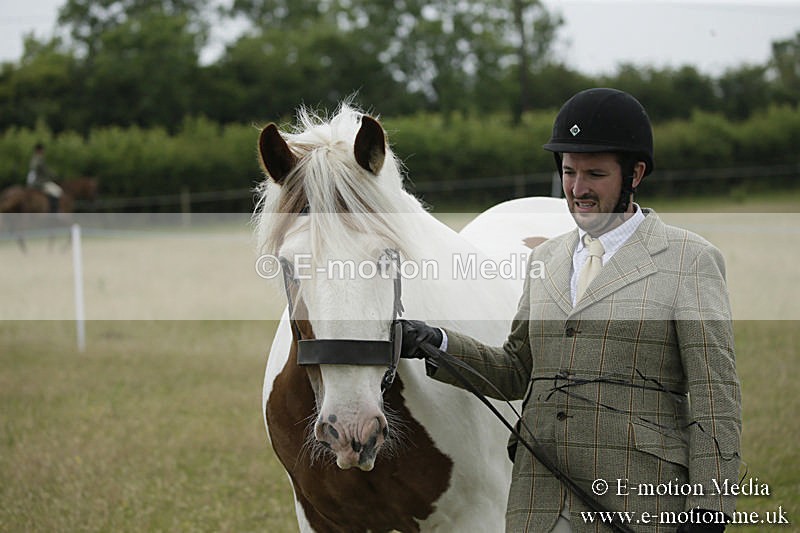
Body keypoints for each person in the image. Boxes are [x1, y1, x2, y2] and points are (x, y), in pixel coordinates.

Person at [400, 88, 741, 533]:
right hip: (539, 502)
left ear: (634, 174)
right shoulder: (545, 260)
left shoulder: (689, 260)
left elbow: (715, 394)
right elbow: (517, 370)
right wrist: (436, 343)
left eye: (595, 174)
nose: (578, 189)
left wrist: (711, 507)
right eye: (569, 172)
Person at [26, 142, 62, 212]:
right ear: (40, 150)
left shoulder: (33, 159)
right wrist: (54, 176)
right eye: (43, 150)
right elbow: (45, 171)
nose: (44, 151)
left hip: (34, 182)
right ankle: (54, 212)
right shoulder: (39, 159)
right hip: (41, 182)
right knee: (57, 191)